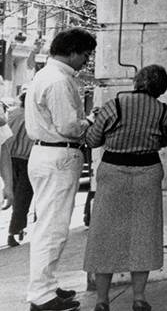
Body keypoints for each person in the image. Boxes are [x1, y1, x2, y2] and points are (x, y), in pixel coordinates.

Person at [83, 64, 167, 311]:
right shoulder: (163, 110)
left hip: (113, 171)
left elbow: (92, 140)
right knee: (143, 233)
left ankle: (102, 300)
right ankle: (139, 297)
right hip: (148, 172)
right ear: (161, 87)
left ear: (137, 82)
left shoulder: (115, 105)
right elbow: (165, 140)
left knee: (105, 233)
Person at [25, 27, 97, 311]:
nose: (86, 61)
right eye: (85, 54)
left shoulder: (44, 75)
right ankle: (42, 295)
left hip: (46, 154)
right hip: (59, 154)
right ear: (73, 52)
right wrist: (90, 121)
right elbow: (68, 126)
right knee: (52, 229)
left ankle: (45, 286)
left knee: (48, 225)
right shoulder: (58, 81)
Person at [6, 90, 36, 246]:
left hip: (8, 158)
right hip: (27, 160)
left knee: (11, 193)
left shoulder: (12, 113)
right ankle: (14, 231)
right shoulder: (34, 116)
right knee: (22, 197)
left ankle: (15, 230)